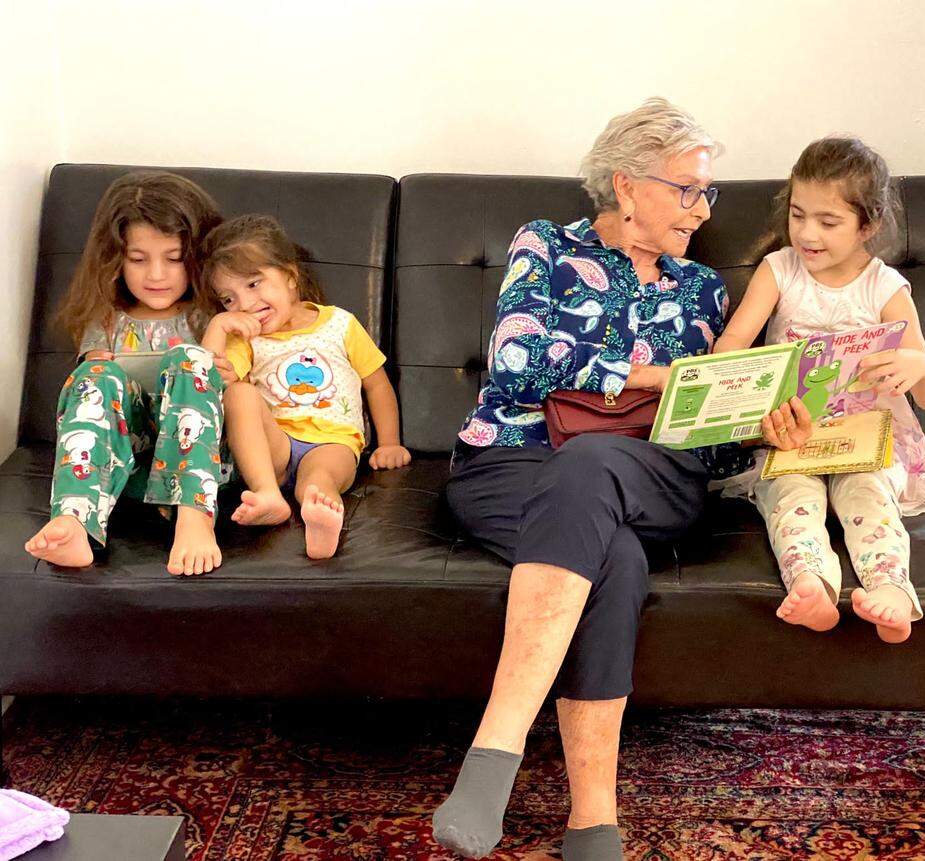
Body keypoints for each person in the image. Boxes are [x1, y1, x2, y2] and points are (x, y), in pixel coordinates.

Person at [431, 98, 810, 861]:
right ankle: (592, 820)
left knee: (595, 462)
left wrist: (755, 420)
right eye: (687, 189)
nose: (702, 209)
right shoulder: (544, 242)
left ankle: (493, 752)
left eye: (709, 192)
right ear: (626, 184)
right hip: (509, 459)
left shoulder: (703, 289)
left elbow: (707, 437)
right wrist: (657, 373)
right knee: (616, 555)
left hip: (651, 473)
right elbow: (517, 366)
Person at [712, 137, 925, 644]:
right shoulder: (779, 270)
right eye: (798, 215)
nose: (807, 234)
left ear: (866, 226)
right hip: (792, 438)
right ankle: (811, 587)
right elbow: (731, 347)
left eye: (828, 223)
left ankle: (892, 592)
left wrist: (916, 365)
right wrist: (738, 381)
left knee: (868, 495)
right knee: (788, 497)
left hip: (867, 443)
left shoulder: (883, 287)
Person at [24, 171, 228, 576]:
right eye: (138, 259)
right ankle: (76, 520)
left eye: (173, 259)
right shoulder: (106, 320)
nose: (156, 275)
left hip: (201, 466)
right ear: (115, 260)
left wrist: (221, 364)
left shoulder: (211, 316)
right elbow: (96, 393)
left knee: (191, 360)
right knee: (96, 374)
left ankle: (195, 518)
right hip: (125, 470)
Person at [199, 214, 410, 560]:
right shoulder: (244, 339)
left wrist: (389, 444)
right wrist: (220, 327)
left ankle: (322, 518)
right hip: (273, 448)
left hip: (332, 441)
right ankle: (268, 494)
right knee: (239, 392)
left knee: (317, 480)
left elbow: (376, 383)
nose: (246, 305)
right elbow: (204, 382)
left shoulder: (340, 324)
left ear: (291, 276)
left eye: (254, 284)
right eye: (228, 299)